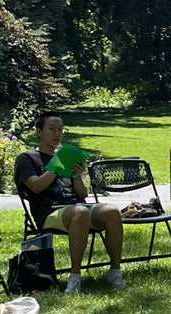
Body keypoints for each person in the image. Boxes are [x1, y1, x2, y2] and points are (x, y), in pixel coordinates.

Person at [14, 112, 125, 292]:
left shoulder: (65, 156)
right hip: (49, 211)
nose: (57, 134)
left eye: (60, 129)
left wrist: (76, 174)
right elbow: (35, 187)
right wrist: (56, 167)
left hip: (75, 207)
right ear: (39, 132)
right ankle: (75, 277)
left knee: (111, 210)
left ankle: (115, 271)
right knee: (80, 212)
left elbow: (82, 194)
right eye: (51, 129)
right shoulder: (26, 159)